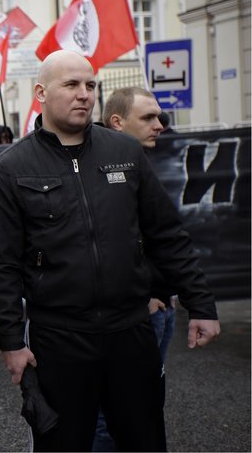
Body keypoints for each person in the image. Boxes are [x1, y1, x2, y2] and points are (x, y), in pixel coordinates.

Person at [0, 50, 220, 451]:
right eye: (71, 85)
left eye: (90, 85)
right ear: (41, 92)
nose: (84, 94)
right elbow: (1, 263)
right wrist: (10, 342)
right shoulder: (10, 167)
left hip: (131, 332)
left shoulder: (124, 153)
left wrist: (202, 304)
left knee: (144, 440)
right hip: (59, 339)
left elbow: (168, 235)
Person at [94, 86, 173, 451]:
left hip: (157, 306)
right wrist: (145, 298)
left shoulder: (141, 162)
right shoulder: (99, 171)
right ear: (117, 122)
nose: (159, 126)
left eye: (159, 117)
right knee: (109, 420)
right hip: (135, 314)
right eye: (148, 118)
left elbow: (165, 235)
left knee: (146, 410)